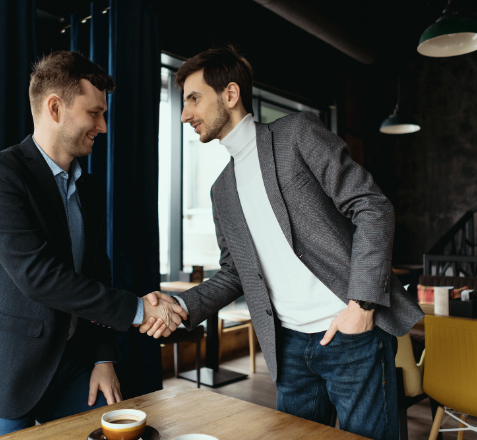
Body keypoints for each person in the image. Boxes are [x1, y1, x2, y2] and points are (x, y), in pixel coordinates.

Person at [140, 46, 424, 440]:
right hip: (287, 347)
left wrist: (361, 307)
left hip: (350, 334)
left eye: (193, 98)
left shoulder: (297, 134)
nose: (185, 113)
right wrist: (182, 305)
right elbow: (234, 274)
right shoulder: (221, 190)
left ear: (231, 94)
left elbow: (372, 206)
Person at [0, 51, 186, 440]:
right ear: (55, 108)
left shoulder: (88, 188)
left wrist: (104, 356)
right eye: (94, 113)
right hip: (0, 378)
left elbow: (98, 275)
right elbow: (38, 277)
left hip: (73, 366)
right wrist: (138, 310)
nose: (103, 126)